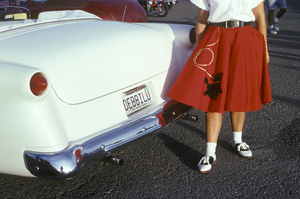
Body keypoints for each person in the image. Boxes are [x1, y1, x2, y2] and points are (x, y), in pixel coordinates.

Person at [167, 0, 272, 173]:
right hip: (216, 39)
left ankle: (237, 140)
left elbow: (260, 17)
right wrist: (199, 49)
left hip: (245, 39)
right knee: (214, 94)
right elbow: (202, 20)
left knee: (240, 92)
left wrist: (264, 47)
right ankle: (210, 152)